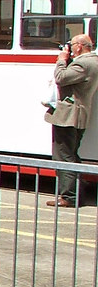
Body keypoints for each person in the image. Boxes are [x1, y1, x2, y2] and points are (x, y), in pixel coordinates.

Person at [45, 34, 98, 207]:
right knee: (72, 155)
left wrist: (61, 60)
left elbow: (61, 78)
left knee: (63, 156)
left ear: (80, 46)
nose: (70, 48)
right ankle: (74, 193)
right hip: (79, 115)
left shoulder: (83, 64)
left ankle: (68, 196)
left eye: (72, 45)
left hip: (69, 116)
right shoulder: (94, 61)